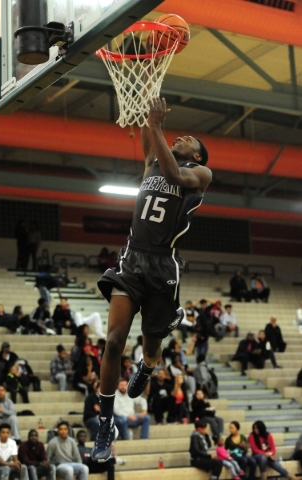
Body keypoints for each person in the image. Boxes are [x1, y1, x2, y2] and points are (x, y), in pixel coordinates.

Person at [91, 96, 212, 461]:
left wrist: (159, 126)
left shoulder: (200, 175)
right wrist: (149, 98)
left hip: (163, 267)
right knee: (112, 342)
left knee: (150, 346)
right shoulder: (151, 163)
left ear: (200, 155)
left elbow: (175, 174)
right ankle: (104, 426)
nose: (181, 138)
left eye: (189, 139)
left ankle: (147, 364)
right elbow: (151, 133)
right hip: (132, 258)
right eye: (179, 136)